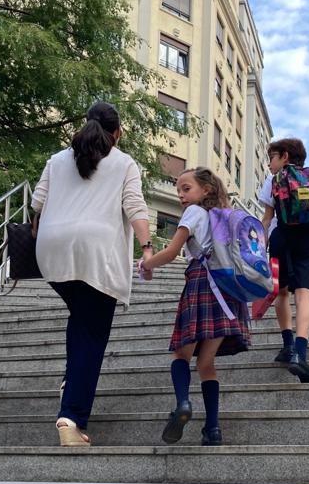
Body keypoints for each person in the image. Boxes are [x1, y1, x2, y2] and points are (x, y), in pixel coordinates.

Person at [32, 102, 152, 448]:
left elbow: (37, 206)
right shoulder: (123, 162)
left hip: (54, 252)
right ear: (117, 132)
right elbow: (134, 206)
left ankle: (72, 382)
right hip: (97, 254)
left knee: (82, 320)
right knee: (93, 335)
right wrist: (146, 248)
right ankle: (72, 417)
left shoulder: (57, 160)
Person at [139, 167, 251, 447]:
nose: (180, 195)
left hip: (202, 283)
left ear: (206, 190)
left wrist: (145, 264)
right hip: (227, 290)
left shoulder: (194, 214)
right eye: (179, 189)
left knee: (181, 352)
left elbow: (173, 250)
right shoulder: (222, 217)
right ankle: (212, 429)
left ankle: (183, 404)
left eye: (186, 188)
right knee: (206, 362)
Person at [260, 138, 309, 384]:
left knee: (281, 293)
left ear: (285, 158)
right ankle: (300, 355)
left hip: (281, 240)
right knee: (304, 296)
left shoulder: (273, 180)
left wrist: (260, 249)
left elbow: (267, 219)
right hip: (308, 242)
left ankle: (288, 345)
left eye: (272, 157)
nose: (269, 163)